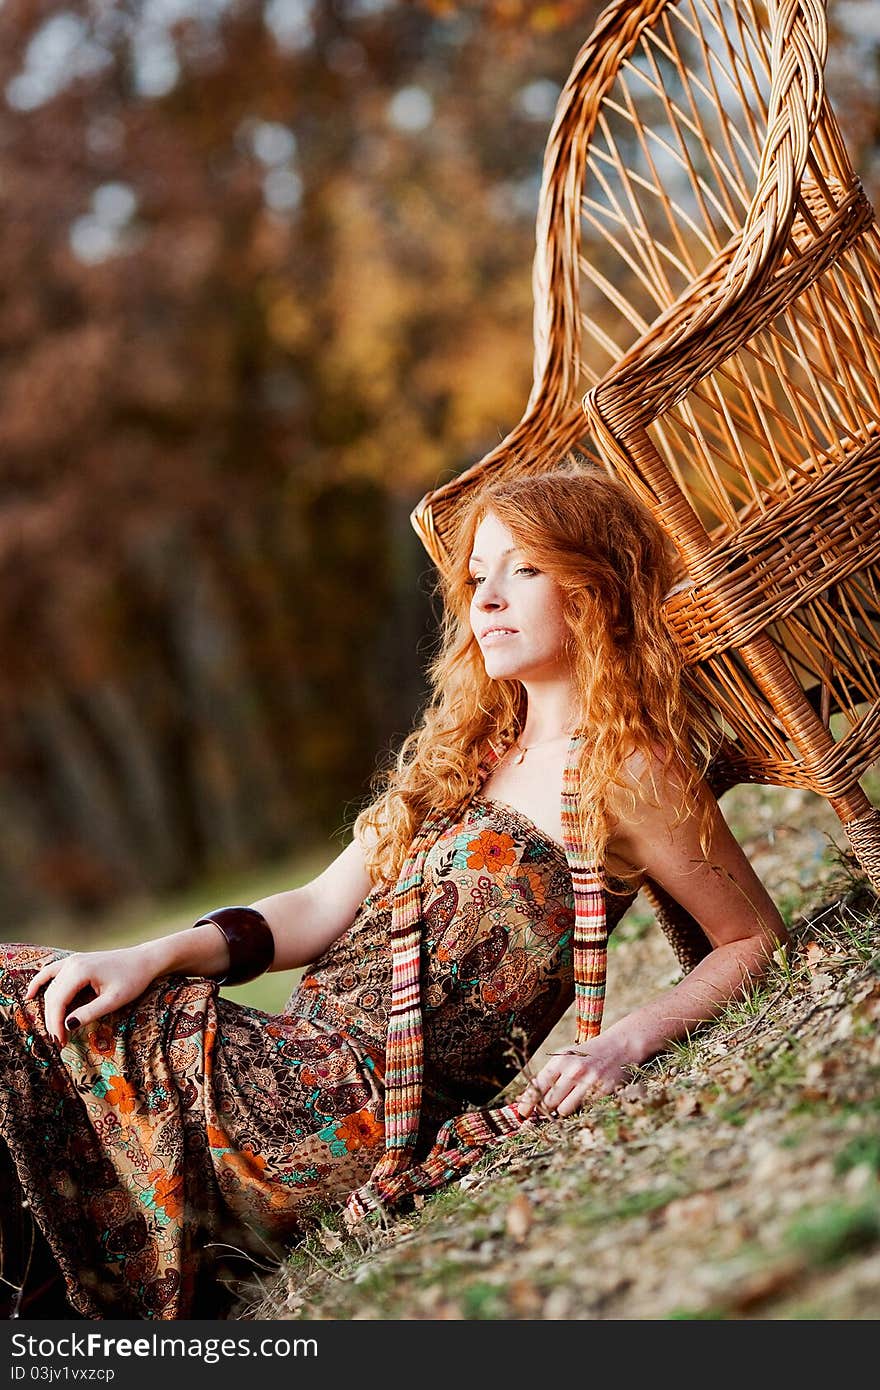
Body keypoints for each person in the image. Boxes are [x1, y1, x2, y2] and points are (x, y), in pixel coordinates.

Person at [0, 464, 788, 1320]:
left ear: (598, 585)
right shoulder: (468, 752)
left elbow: (750, 937)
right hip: (290, 1062)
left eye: (523, 570)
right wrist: (154, 952)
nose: (486, 599)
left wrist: (625, 1041)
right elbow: (310, 909)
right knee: (34, 1007)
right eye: (477, 575)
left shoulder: (627, 767)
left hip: (358, 1114)